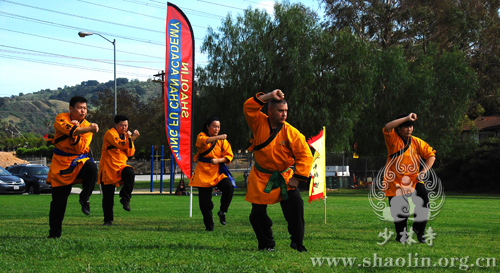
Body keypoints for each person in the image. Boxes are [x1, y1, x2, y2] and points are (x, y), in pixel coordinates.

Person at [243, 89, 313, 252]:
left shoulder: (292, 133)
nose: (284, 114)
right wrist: (268, 96)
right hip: (260, 177)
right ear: (270, 111)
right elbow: (248, 107)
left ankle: (297, 242)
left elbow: (305, 156)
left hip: (284, 177)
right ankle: (266, 244)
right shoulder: (258, 122)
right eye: (280, 111)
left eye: (286, 111)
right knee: (257, 214)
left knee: (295, 205)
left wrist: (297, 177)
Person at [47, 96, 99, 238]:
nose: (83, 111)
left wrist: (78, 130)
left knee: (92, 167)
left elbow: (82, 147)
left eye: (85, 108)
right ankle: (54, 233)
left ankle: (85, 197)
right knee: (58, 201)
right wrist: (80, 129)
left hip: (78, 160)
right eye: (79, 108)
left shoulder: (87, 125)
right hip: (61, 163)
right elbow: (66, 129)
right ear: (71, 108)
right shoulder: (61, 118)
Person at [383, 113, 436, 243]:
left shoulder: (417, 142)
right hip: (395, 181)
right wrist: (407, 118)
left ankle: (419, 231)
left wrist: (423, 171)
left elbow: (431, 156)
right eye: (406, 126)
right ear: (399, 129)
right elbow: (387, 126)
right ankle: (401, 235)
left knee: (424, 197)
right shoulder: (392, 139)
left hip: (414, 179)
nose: (409, 129)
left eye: (411, 126)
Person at [189, 117, 234, 231]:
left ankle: (222, 210)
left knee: (229, 186)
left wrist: (218, 160)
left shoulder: (223, 142)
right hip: (203, 172)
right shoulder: (201, 136)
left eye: (218, 127)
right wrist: (219, 137)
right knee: (205, 204)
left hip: (217, 172)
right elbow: (203, 141)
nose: (216, 129)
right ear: (208, 126)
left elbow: (229, 156)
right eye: (214, 126)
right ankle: (209, 227)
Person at [98, 115, 140, 226]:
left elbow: (130, 153)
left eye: (126, 125)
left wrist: (130, 139)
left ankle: (125, 198)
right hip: (108, 168)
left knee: (130, 172)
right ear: (115, 125)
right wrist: (132, 138)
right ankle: (108, 220)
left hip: (121, 166)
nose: (124, 127)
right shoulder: (110, 134)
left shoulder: (127, 136)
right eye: (121, 125)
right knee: (108, 196)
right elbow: (119, 144)